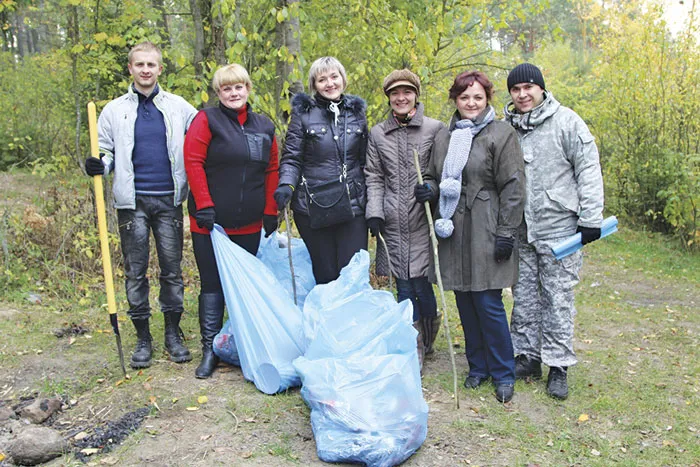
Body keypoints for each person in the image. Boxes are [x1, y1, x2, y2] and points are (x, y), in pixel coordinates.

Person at [85, 41, 197, 369]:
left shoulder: (179, 107)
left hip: (170, 200)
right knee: (135, 272)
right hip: (131, 202)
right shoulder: (114, 110)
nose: (146, 69)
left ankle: (173, 334)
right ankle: (143, 338)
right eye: (140, 64)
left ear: (160, 69)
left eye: (152, 64)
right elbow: (104, 153)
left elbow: (202, 137)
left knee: (172, 271)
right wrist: (98, 166)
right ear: (130, 68)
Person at [423, 71, 525, 403]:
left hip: (487, 224)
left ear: (487, 100)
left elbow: (513, 186)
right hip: (454, 227)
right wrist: (429, 188)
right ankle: (477, 366)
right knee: (465, 300)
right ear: (455, 99)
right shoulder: (445, 135)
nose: (471, 103)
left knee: (487, 301)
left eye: (478, 97)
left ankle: (503, 372)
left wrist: (507, 231)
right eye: (465, 97)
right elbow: (435, 174)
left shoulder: (501, 133)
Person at [504, 63, 604, 400]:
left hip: (560, 228)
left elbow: (588, 168)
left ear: (541, 89)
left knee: (557, 298)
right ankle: (528, 357)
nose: (522, 94)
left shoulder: (567, 122)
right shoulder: (508, 128)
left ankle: (558, 365)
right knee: (525, 297)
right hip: (522, 230)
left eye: (529, 87)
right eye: (516, 89)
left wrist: (591, 217)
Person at [184, 63, 279, 378]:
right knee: (212, 286)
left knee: (243, 287)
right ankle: (210, 349)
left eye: (238, 86)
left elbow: (272, 169)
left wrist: (270, 210)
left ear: (248, 89)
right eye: (226, 88)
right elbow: (193, 162)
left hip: (250, 222)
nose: (233, 93)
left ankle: (241, 347)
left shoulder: (264, 126)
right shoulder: (206, 120)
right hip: (210, 223)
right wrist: (205, 206)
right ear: (218, 92)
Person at [364, 69, 447, 363]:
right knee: (403, 284)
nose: (401, 98)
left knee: (422, 284)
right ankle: (414, 345)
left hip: (421, 219)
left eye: (406, 92)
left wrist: (432, 189)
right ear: (389, 98)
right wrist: (374, 212)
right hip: (392, 221)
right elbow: (373, 175)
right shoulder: (378, 133)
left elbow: (443, 172)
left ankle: (429, 336)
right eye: (395, 93)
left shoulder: (435, 129)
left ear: (416, 96)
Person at [274, 56, 368, 284]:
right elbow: (292, 157)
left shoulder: (357, 114)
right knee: (326, 274)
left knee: (352, 274)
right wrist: (286, 184)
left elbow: (367, 160)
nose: (330, 84)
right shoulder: (303, 115)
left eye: (334, 77)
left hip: (353, 203)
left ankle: (353, 320)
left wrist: (376, 202)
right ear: (314, 85)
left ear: (343, 79)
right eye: (322, 79)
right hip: (313, 205)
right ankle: (326, 319)